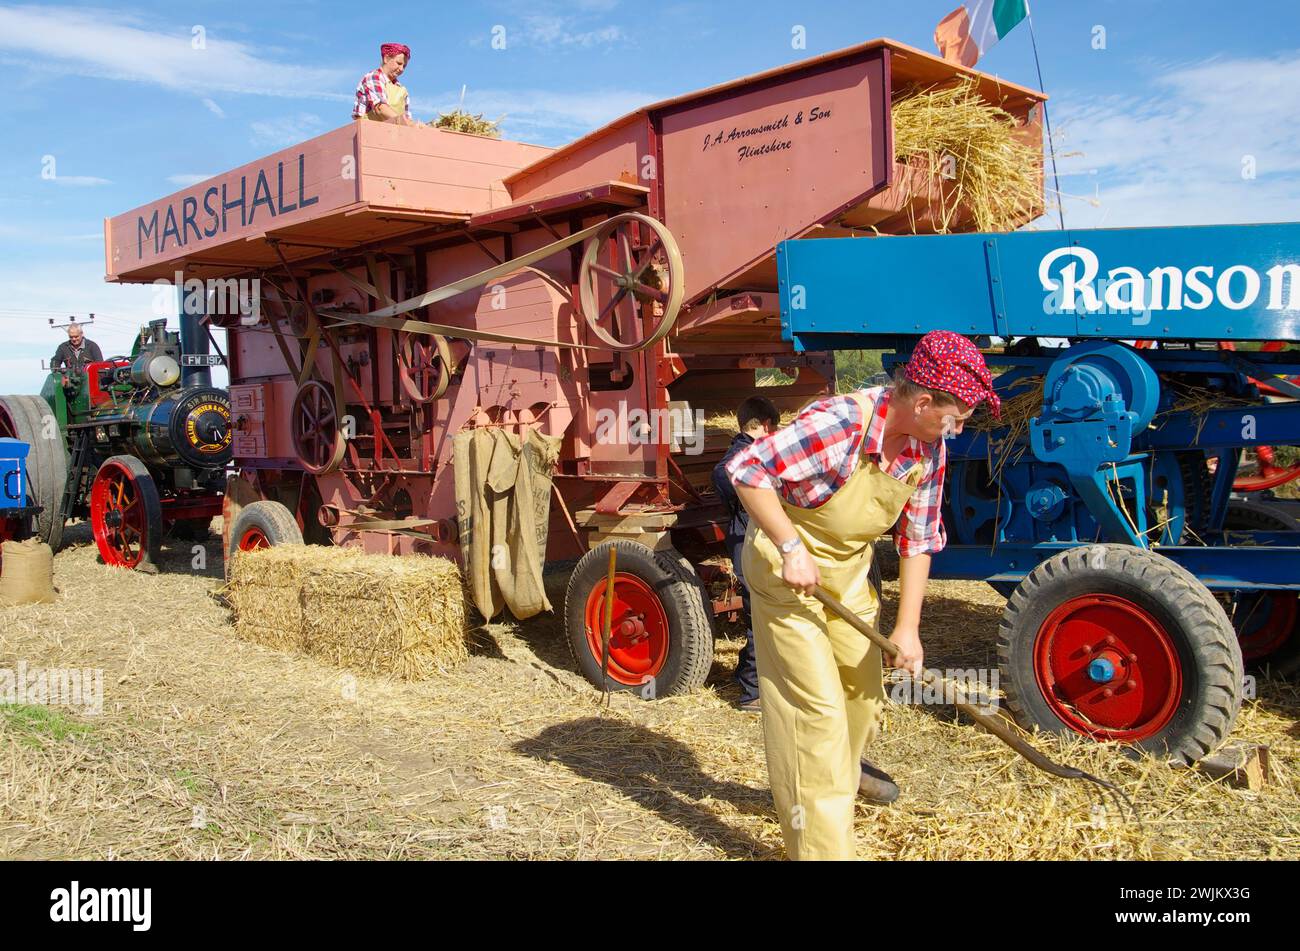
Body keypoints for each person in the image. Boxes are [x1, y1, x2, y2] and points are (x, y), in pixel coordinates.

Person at [726, 331, 1000, 860]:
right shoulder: (839, 424)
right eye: (957, 416)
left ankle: (834, 784)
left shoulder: (928, 447)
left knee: (862, 694)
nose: (960, 428)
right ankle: (820, 842)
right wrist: (789, 546)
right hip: (788, 571)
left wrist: (908, 629)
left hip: (848, 571)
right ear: (923, 402)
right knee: (816, 714)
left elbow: (919, 537)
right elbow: (746, 470)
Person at [711, 395, 780, 714]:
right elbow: (724, 478)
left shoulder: (753, 453)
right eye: (775, 429)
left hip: (756, 539)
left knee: (765, 613)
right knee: (760, 615)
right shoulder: (737, 457)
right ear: (766, 425)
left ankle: (753, 678)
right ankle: (751, 690)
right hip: (747, 541)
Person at [353, 43, 415, 125]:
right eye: (399, 63)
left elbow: (407, 117)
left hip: (394, 133)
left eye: (404, 66)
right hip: (369, 130)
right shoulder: (373, 77)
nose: (401, 69)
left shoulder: (401, 89)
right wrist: (405, 124)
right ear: (386, 59)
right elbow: (380, 108)